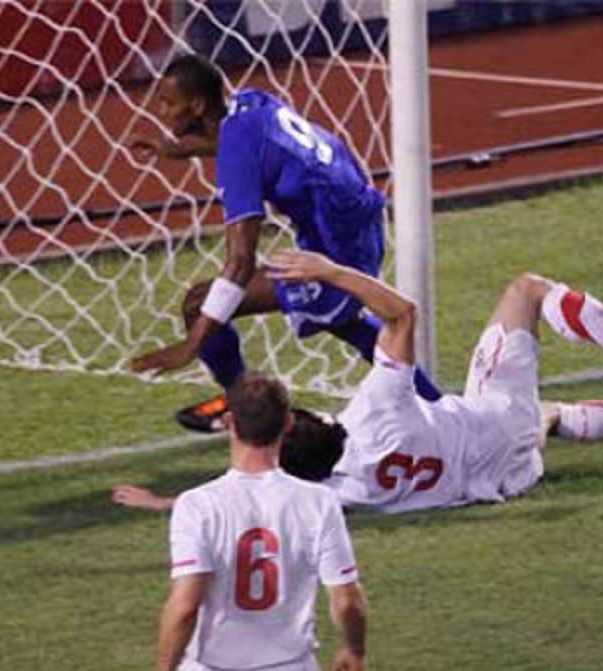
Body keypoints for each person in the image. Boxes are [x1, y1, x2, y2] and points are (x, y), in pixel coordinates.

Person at [117, 249, 603, 516]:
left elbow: (243, 497)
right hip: (493, 421)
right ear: (299, 423)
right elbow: (403, 313)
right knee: (526, 290)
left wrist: (163, 503)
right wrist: (330, 271)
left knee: (547, 416)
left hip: (500, 480)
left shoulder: (331, 496)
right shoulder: (376, 409)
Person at [128, 54, 441, 434]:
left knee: (200, 305)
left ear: (196, 106)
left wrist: (189, 346)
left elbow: (240, 263)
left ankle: (243, 406)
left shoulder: (236, 157)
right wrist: (177, 150)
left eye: (168, 102)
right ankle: (441, 408)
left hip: (339, 240)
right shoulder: (251, 102)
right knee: (345, 322)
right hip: (349, 211)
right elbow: (247, 144)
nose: (161, 111)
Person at [153, 372, 367, 671]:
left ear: (228, 423)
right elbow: (346, 601)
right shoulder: (319, 502)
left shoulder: (197, 505)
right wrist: (354, 649)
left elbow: (185, 607)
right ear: (287, 424)